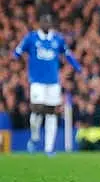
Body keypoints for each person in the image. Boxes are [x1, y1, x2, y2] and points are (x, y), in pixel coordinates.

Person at [13, 14, 83, 155]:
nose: (46, 24)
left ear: (51, 24)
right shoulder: (31, 38)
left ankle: (49, 149)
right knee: (37, 109)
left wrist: (77, 67)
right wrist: (15, 64)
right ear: (39, 23)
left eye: (48, 22)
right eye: (44, 21)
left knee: (51, 114)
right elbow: (17, 52)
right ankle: (34, 137)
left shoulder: (57, 39)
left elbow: (67, 54)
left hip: (53, 83)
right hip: (37, 82)